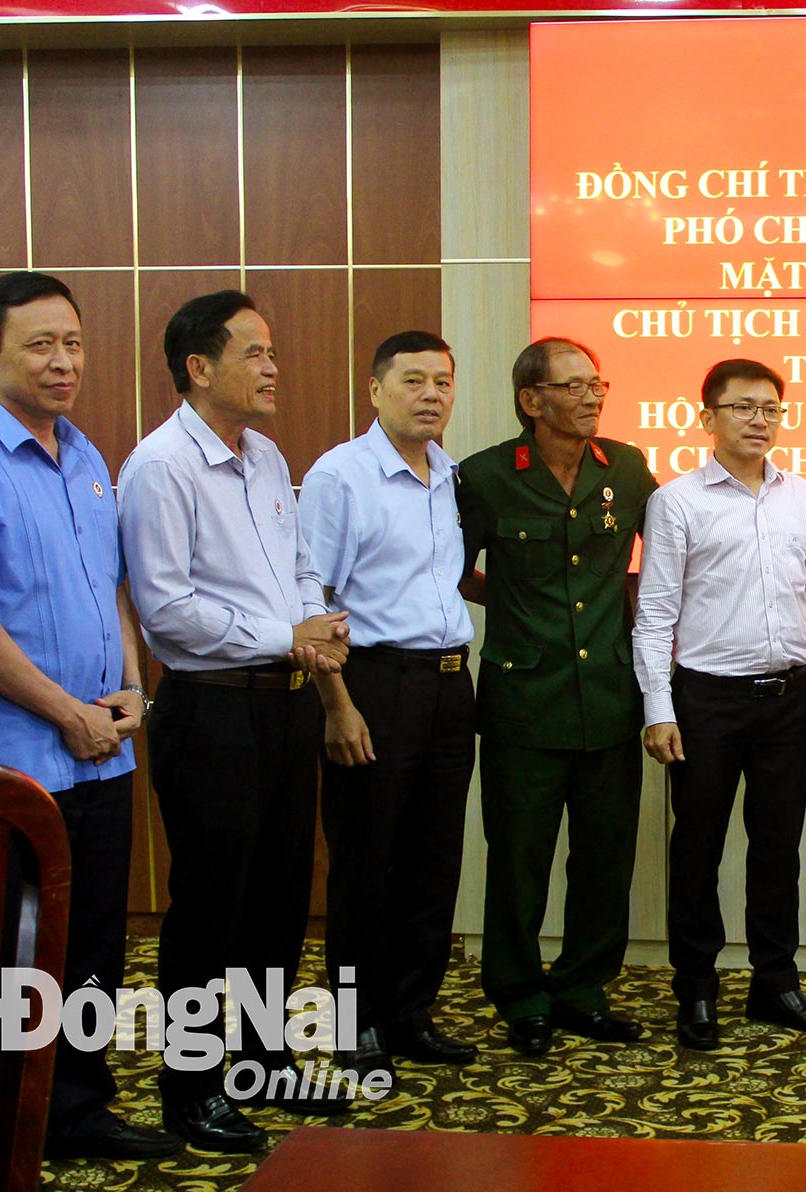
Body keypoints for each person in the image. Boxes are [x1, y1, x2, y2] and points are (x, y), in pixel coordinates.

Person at [0, 271, 178, 1160]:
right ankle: (5, 1128)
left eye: (72, 341)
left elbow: (112, 593)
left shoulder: (89, 456)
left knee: (95, 948)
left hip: (105, 749)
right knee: (19, 961)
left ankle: (77, 1110)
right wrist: (69, 712)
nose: (64, 360)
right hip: (22, 757)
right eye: (41, 344)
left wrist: (135, 689)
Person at [118, 291, 353, 1153]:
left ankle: (264, 1062)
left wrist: (314, 626)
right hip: (210, 710)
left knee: (280, 902)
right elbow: (166, 610)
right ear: (199, 367)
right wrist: (283, 634)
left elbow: (296, 568)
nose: (273, 367)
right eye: (254, 353)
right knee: (208, 911)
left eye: (272, 351)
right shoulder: (160, 466)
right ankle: (190, 1090)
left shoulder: (263, 455)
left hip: (283, 707)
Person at [633, 358, 806, 1051]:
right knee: (697, 850)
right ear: (708, 418)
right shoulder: (677, 501)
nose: (760, 420)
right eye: (743, 407)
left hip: (787, 697)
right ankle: (696, 989)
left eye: (771, 408)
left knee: (777, 847)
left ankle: (774, 983)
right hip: (705, 701)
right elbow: (654, 614)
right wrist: (658, 708)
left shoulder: (803, 498)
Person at [455, 337, 657, 1056]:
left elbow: (661, 563)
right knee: (518, 858)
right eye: (574, 387)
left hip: (606, 695)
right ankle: (519, 994)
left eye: (596, 384)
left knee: (604, 859)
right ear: (531, 400)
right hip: (522, 701)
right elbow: (454, 572)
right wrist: (511, 602)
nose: (593, 397)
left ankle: (582, 988)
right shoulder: (483, 477)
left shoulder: (627, 469)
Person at [299, 331, 478, 1079]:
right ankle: (354, 1021)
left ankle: (409, 1012)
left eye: (442, 381)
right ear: (375, 390)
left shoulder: (452, 474)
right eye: (413, 380)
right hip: (372, 682)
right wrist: (338, 704)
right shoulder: (342, 476)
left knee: (434, 860)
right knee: (367, 861)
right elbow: (313, 596)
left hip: (447, 684)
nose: (431, 394)